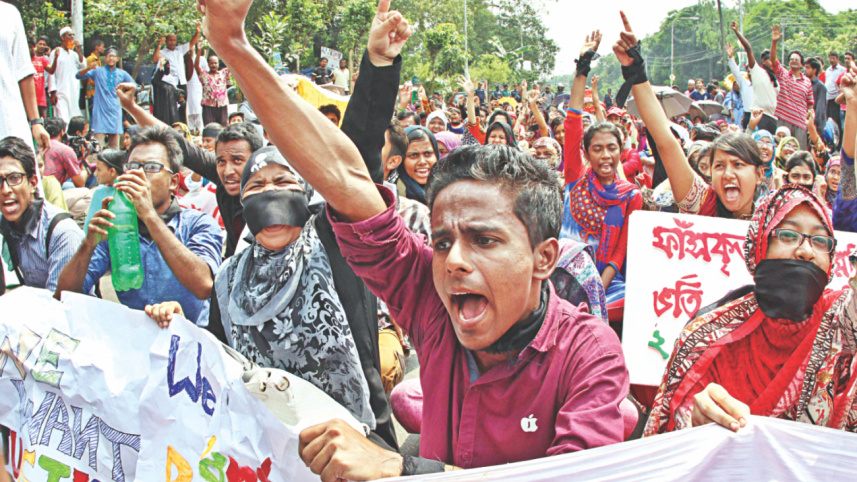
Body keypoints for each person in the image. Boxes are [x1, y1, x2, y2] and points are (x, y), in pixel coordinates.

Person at [201, 1, 630, 475]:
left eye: (485, 241)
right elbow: (345, 177)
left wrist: (400, 470)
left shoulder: (590, 353)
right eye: (443, 242)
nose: (453, 263)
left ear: (544, 257)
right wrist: (234, 47)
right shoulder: (432, 298)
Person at [644, 185, 857, 435]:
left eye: (821, 241)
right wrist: (695, 419)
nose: (806, 251)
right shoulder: (706, 339)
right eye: (788, 235)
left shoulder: (839, 322)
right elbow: (670, 436)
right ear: (759, 246)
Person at [54, 127, 223, 326]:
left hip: (192, 341)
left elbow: (203, 286)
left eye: (151, 167)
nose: (139, 176)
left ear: (173, 182)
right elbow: (64, 296)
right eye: (132, 167)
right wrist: (88, 245)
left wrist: (149, 215)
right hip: (136, 343)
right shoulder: (117, 226)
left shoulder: (197, 224)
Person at [619, 16, 765, 221]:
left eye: (738, 165)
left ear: (759, 174)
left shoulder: (773, 224)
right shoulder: (704, 206)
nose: (728, 174)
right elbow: (666, 142)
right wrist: (635, 70)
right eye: (719, 166)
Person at [561, 30, 642, 320]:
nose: (605, 155)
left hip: (607, 285)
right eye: (597, 149)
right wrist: (582, 66)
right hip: (562, 276)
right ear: (586, 153)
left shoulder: (632, 196)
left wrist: (596, 290)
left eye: (611, 148)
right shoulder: (574, 176)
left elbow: (619, 254)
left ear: (622, 151)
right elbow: (572, 120)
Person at [0, 136, 83, 292]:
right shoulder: (7, 224)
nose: (5, 190)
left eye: (14, 178)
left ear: (32, 183)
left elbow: (59, 305)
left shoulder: (62, 233)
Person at [2, 5, 51, 157]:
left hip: (6, 116)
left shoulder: (9, 14)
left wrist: (36, 122)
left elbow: (24, 71)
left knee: (14, 171)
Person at [75, 47, 136, 149]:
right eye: (108, 56)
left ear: (117, 58)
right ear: (105, 59)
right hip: (100, 112)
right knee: (97, 146)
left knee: (114, 148)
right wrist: (88, 68)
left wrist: (124, 92)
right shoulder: (97, 71)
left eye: (113, 56)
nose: (111, 58)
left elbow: (134, 85)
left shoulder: (122, 73)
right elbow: (78, 75)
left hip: (115, 112)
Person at [770, 25, 813, 149]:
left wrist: (810, 121)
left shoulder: (807, 82)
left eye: (797, 59)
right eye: (791, 59)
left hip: (800, 122)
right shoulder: (783, 74)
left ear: (802, 64)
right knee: (782, 148)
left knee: (798, 151)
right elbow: (773, 60)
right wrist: (774, 42)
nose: (794, 61)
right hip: (784, 119)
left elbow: (810, 104)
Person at [151, 25, 201, 114]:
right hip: (170, 84)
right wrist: (159, 45)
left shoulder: (180, 50)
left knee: (183, 106)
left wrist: (197, 32)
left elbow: (192, 43)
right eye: (170, 40)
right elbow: (154, 59)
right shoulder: (163, 52)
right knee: (172, 107)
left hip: (182, 82)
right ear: (166, 41)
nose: (172, 42)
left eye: (173, 40)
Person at [46, 27, 85, 124]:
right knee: (63, 116)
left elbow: (82, 66)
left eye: (73, 35)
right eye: (69, 35)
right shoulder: (56, 52)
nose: (72, 37)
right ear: (63, 37)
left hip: (73, 90)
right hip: (61, 90)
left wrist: (79, 51)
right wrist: (53, 92)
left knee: (74, 115)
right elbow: (51, 73)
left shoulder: (74, 54)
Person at [397, 126, 438, 204]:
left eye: (428, 153)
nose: (422, 162)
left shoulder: (447, 190)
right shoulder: (395, 197)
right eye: (413, 155)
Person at [42, 118, 86, 187]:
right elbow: (80, 183)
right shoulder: (64, 150)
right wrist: (84, 166)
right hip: (51, 192)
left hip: (38, 189)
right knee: (85, 191)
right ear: (62, 132)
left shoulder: (38, 147)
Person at [195, 50, 230, 126]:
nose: (214, 65)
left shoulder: (223, 73)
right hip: (208, 106)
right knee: (210, 127)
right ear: (208, 64)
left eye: (215, 63)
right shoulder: (204, 75)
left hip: (222, 105)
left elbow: (232, 64)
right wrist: (199, 51)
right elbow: (196, 66)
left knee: (222, 127)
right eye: (212, 63)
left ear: (218, 64)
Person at [151, 59, 181, 125]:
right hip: (162, 108)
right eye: (166, 66)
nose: (168, 68)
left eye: (169, 66)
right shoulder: (157, 79)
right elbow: (155, 81)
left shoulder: (171, 78)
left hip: (172, 107)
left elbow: (175, 91)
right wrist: (161, 66)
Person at [826, 52, 846, 144]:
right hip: (828, 99)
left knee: (837, 122)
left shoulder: (842, 70)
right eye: (830, 58)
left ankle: (838, 144)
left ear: (838, 59)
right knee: (829, 121)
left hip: (837, 100)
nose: (832, 60)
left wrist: (839, 92)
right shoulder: (828, 70)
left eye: (834, 58)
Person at [804, 57, 827, 136]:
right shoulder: (804, 84)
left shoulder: (820, 86)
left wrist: (814, 125)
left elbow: (820, 109)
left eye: (808, 67)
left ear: (814, 70)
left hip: (813, 125)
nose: (805, 69)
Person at [29, 38, 51, 120]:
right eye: (40, 44)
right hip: (31, 91)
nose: (42, 46)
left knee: (43, 116)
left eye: (44, 44)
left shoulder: (45, 59)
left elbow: (51, 72)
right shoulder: (28, 60)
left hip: (43, 90)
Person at [83, 39, 104, 112]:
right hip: (92, 92)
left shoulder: (98, 60)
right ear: (97, 47)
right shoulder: (90, 59)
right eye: (102, 46)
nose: (103, 49)